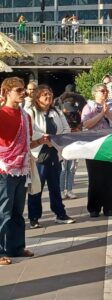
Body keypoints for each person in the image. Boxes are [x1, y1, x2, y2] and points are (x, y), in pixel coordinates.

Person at [0, 77, 44, 265]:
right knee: (3, 212)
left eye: (23, 90)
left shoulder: (26, 116)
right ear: (6, 92)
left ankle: (16, 247)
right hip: (4, 169)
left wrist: (41, 141)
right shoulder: (1, 114)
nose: (23, 93)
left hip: (22, 168)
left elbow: (28, 142)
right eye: (18, 90)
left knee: (17, 211)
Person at [26, 85, 76, 228]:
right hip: (39, 153)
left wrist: (56, 139)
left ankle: (60, 213)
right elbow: (29, 131)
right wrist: (43, 137)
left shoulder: (57, 112)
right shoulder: (31, 112)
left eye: (50, 94)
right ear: (37, 97)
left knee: (55, 185)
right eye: (44, 95)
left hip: (54, 152)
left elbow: (66, 129)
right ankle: (34, 217)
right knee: (37, 186)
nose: (48, 97)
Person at [81, 84, 112, 217]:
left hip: (111, 145)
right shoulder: (88, 107)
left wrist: (108, 114)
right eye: (102, 91)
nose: (105, 93)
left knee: (110, 177)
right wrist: (101, 114)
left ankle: (109, 207)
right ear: (95, 93)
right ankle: (94, 208)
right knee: (95, 178)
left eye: (107, 91)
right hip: (94, 146)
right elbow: (86, 124)